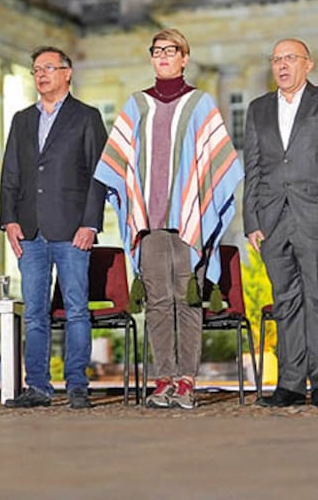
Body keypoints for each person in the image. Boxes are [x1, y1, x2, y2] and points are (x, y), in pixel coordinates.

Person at [94, 28, 243, 410]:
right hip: (149, 221)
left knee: (187, 299)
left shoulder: (200, 104)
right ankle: (163, 379)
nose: (162, 56)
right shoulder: (135, 105)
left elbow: (220, 160)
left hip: (189, 219)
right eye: (156, 50)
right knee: (158, 301)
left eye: (170, 50)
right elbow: (116, 160)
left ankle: (187, 381)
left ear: (183, 58)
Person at [244, 39, 318, 409]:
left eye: (290, 58)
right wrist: (251, 221)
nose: (282, 65)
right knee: (285, 301)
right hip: (273, 219)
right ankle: (290, 383)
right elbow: (254, 169)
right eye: (276, 59)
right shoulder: (258, 109)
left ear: (308, 65)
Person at [0, 46, 108, 410]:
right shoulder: (21, 120)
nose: (41, 75)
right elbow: (10, 174)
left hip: (72, 228)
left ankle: (77, 384)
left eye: (48, 68)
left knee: (76, 308)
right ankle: (38, 387)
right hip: (30, 231)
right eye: (35, 70)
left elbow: (99, 175)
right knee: (34, 312)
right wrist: (9, 220)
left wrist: (91, 223)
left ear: (67, 73)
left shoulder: (87, 117)